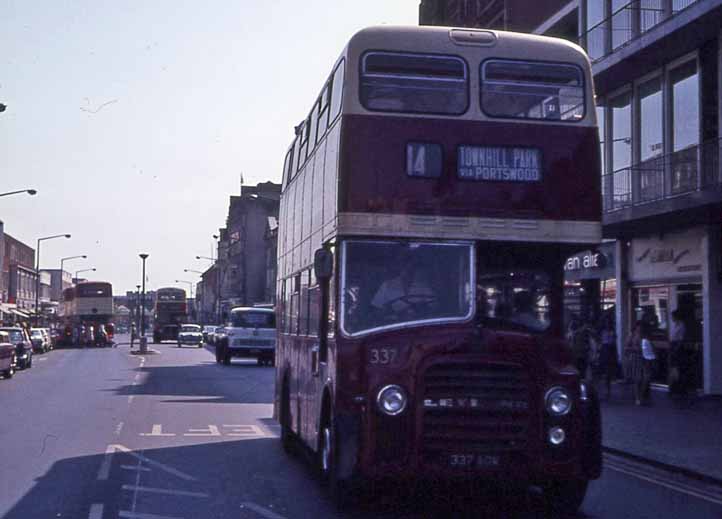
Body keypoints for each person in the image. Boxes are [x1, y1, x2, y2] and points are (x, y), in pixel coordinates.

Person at [371, 260, 435, 318]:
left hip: (418, 324)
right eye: (405, 268)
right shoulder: (387, 285)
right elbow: (376, 310)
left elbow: (434, 307)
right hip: (394, 325)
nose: (408, 271)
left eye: (411, 269)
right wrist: (390, 311)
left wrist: (423, 308)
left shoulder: (423, 286)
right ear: (400, 269)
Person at [626, 321, 655, 406]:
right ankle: (638, 397)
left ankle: (641, 395)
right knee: (637, 378)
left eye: (641, 327)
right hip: (636, 358)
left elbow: (650, 346)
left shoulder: (645, 336)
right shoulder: (631, 336)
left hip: (645, 358)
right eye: (638, 326)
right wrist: (633, 350)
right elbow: (627, 347)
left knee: (646, 377)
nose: (640, 328)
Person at [668, 309, 688, 399]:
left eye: (673, 316)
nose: (672, 318)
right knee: (673, 367)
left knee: (676, 367)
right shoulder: (675, 325)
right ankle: (673, 387)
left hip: (677, 346)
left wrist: (676, 349)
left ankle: (677, 388)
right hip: (673, 345)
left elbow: (680, 339)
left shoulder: (681, 325)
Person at [597, 317, 617, 399]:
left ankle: (607, 390)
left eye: (608, 322)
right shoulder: (602, 332)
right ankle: (603, 389)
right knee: (601, 372)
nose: (607, 324)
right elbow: (600, 342)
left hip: (610, 351)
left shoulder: (612, 332)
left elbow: (614, 343)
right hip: (604, 351)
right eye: (606, 323)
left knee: (608, 373)